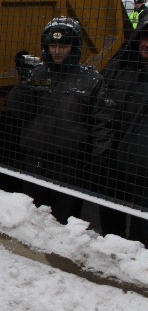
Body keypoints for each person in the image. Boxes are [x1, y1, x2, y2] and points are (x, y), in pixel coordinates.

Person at [7, 17, 114, 225]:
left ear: (74, 47)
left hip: (70, 167)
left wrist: (99, 159)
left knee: (63, 224)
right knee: (32, 221)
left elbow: (103, 121)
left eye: (63, 46)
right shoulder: (40, 74)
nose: (57, 51)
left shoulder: (90, 79)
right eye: (52, 46)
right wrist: (24, 83)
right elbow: (19, 110)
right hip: (36, 162)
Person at [99, 21, 148, 245]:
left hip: (141, 163)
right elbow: (100, 108)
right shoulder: (119, 67)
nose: (146, 44)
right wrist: (103, 146)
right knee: (110, 209)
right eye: (144, 38)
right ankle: (111, 248)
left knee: (141, 220)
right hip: (112, 152)